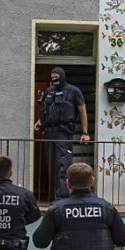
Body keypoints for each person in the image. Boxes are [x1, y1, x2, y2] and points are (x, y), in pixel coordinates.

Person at [34, 66, 90, 200]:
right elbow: (45, 109)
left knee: (63, 165)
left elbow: (82, 110)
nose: (54, 80)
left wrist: (85, 132)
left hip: (63, 132)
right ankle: (53, 197)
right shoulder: (49, 91)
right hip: (49, 132)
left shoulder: (73, 91)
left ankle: (62, 198)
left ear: (62, 76)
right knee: (51, 166)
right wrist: (39, 121)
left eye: (56, 77)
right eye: (52, 77)